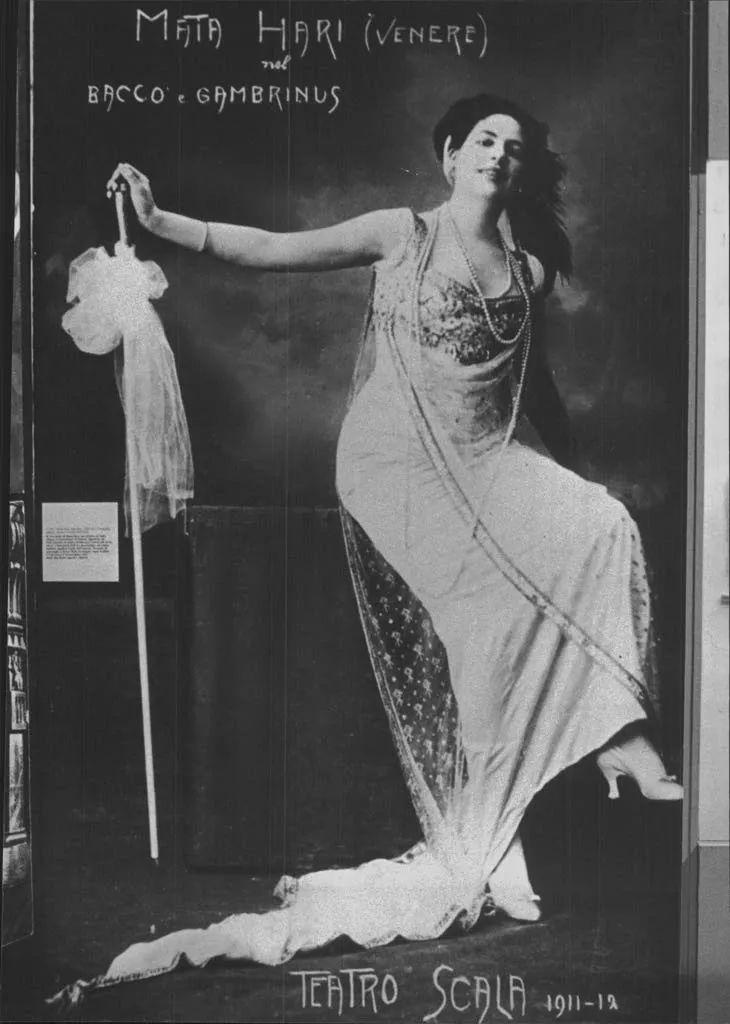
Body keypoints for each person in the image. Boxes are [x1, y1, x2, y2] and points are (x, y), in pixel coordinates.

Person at [53, 94, 682, 1002]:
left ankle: (607, 743)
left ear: (522, 171)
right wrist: (158, 222)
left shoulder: (530, 274)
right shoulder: (402, 234)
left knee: (605, 523)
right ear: (449, 156)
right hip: (393, 459)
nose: (498, 156)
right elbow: (268, 249)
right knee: (485, 620)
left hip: (484, 458)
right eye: (483, 141)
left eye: (514, 147)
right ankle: (522, 809)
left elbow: (535, 386)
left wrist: (570, 488)